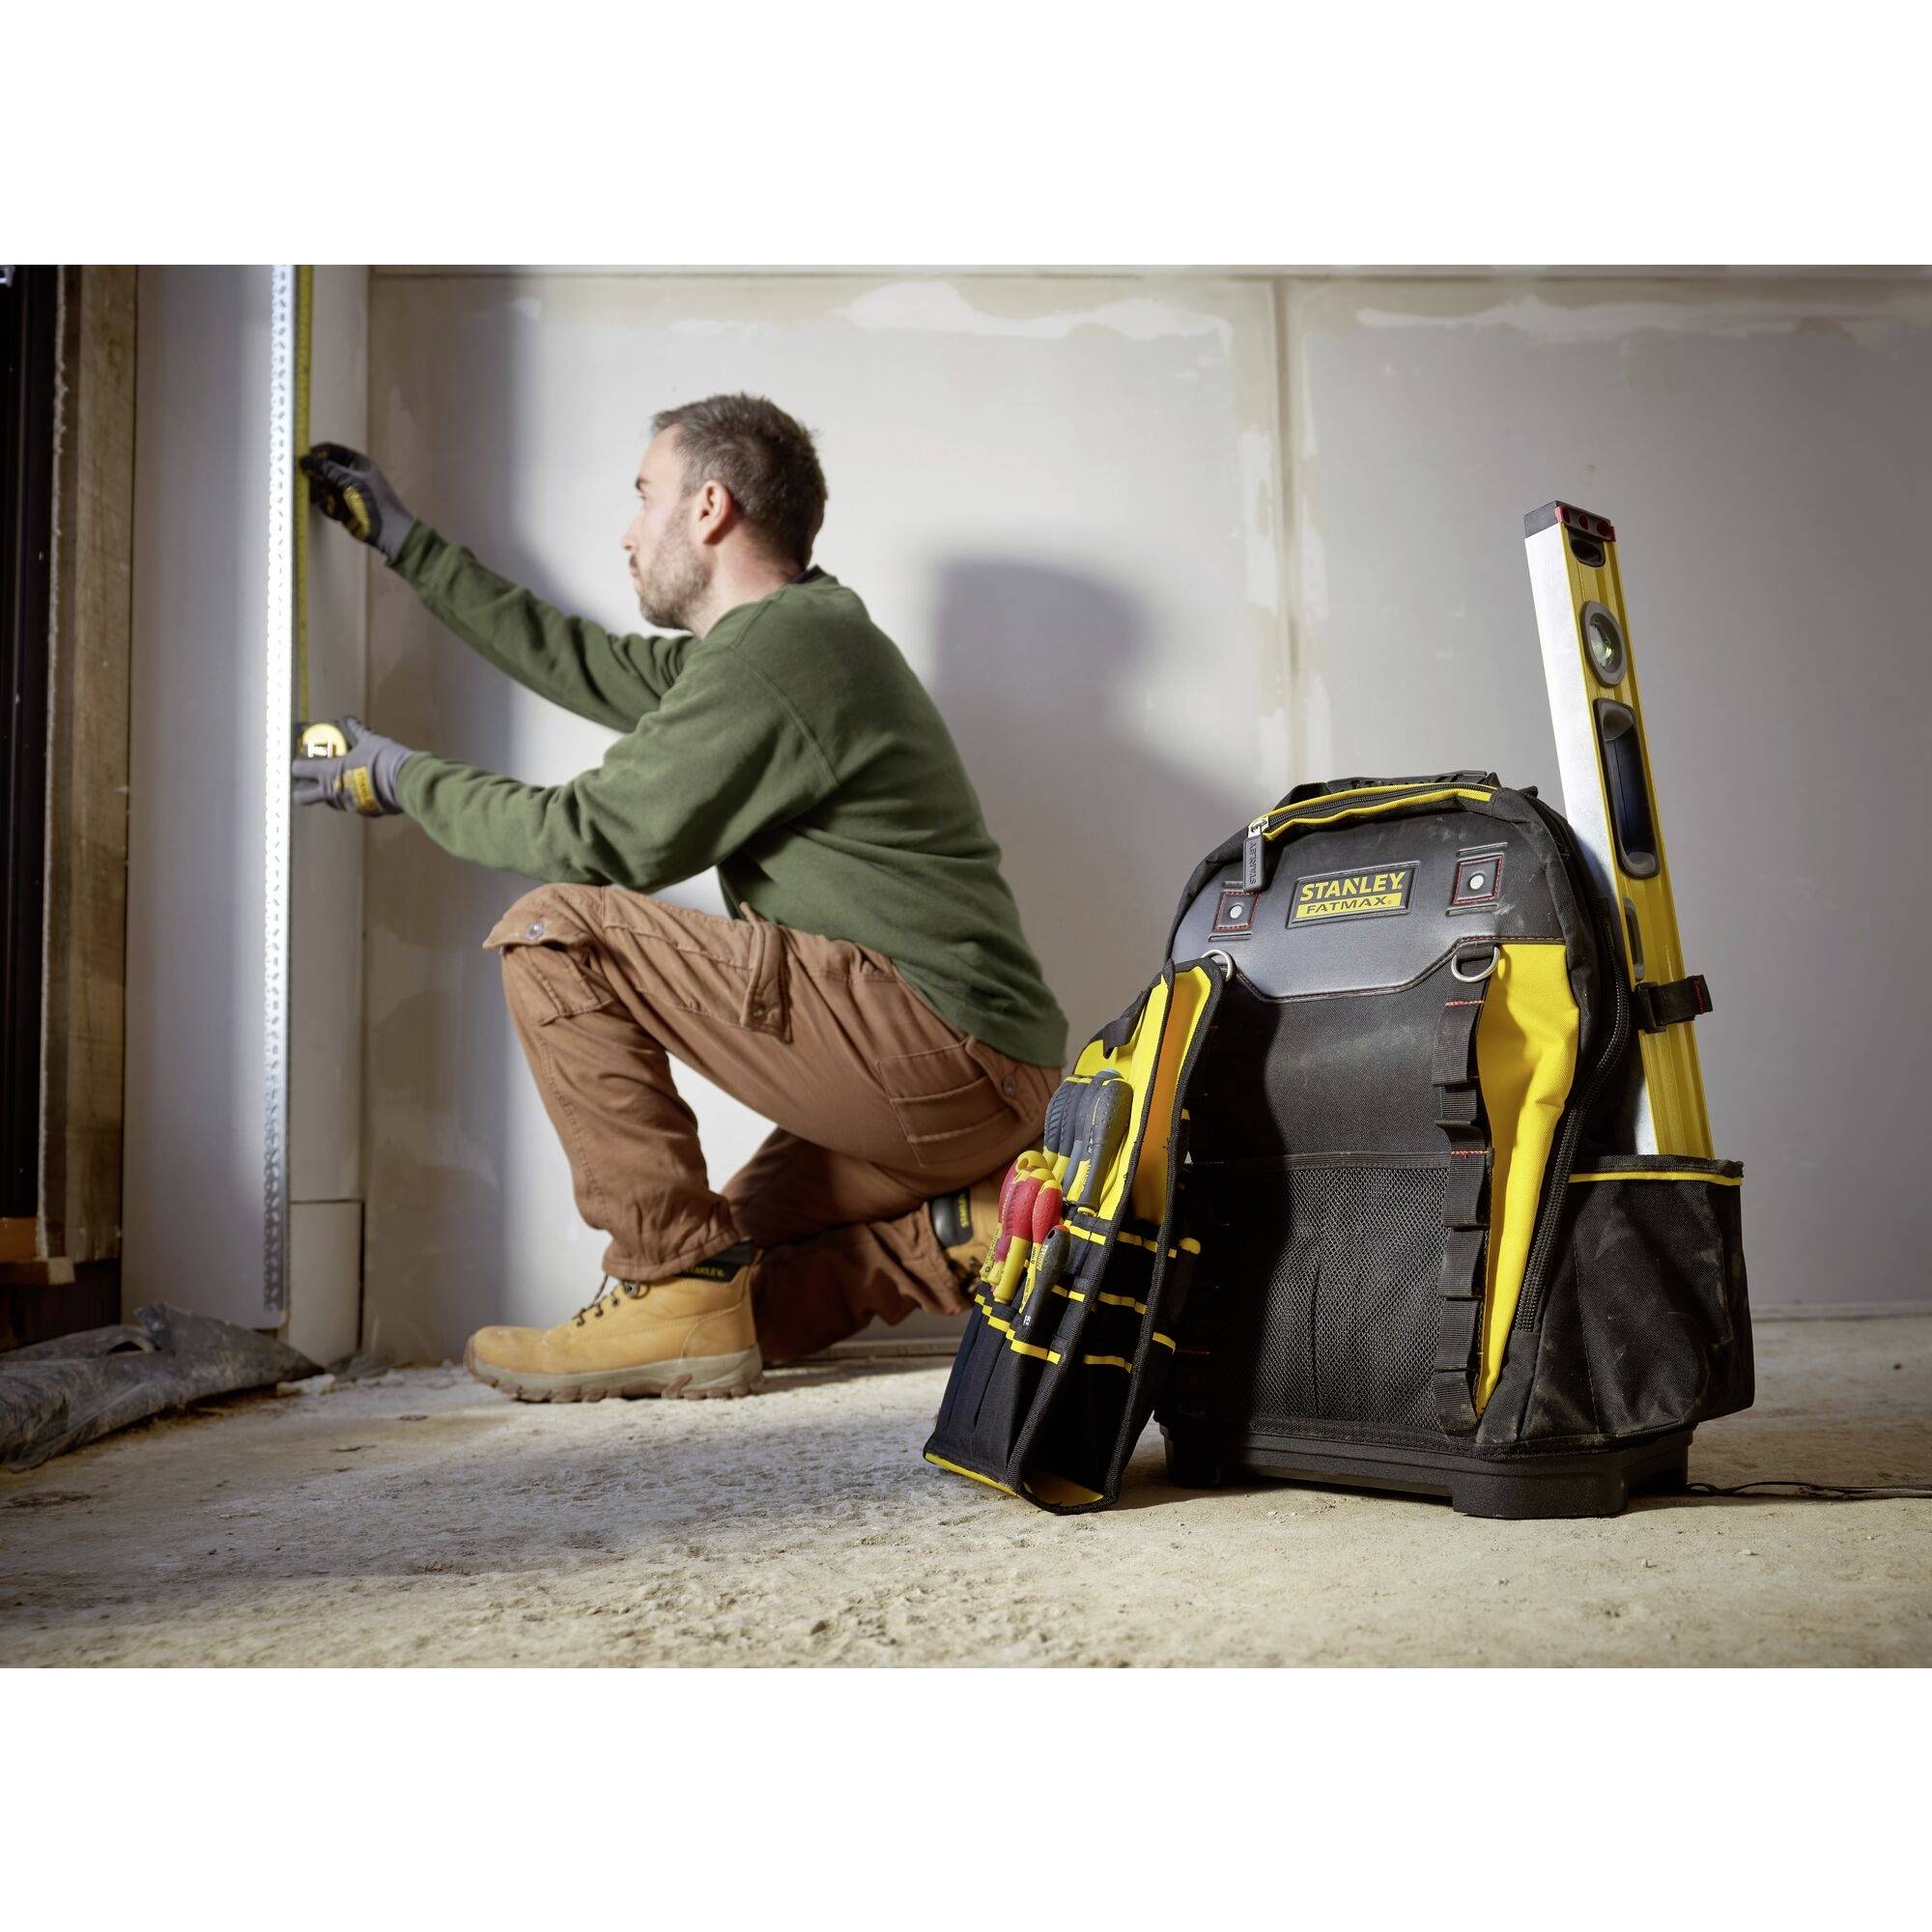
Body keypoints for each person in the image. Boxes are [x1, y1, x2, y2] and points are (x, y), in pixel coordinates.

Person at [296, 395, 1067, 1401]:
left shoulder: (785, 652)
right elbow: (573, 658)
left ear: (708, 507)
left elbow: (594, 837)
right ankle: (961, 1233)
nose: (628, 529)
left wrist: (396, 778)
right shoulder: (786, 646)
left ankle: (661, 1275)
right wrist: (402, 542)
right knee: (733, 1292)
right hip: (980, 1082)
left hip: (939, 1054)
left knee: (555, 926)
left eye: (643, 496)